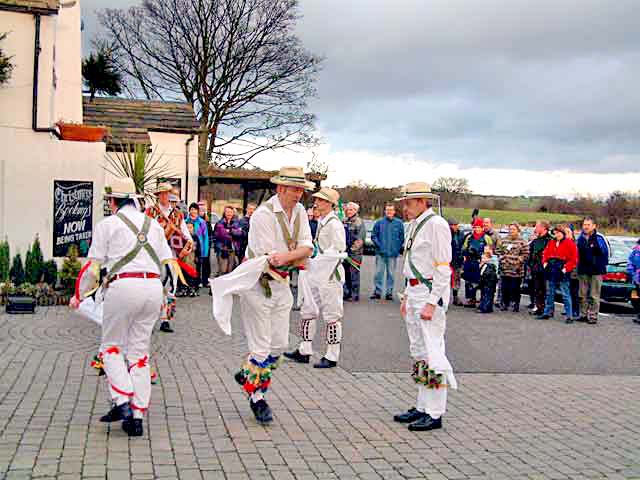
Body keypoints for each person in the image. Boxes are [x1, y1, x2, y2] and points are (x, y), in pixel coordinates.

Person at [70, 178, 174, 437]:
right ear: (135, 200)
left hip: (123, 288)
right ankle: (136, 417)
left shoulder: (108, 224)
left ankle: (123, 401)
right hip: (153, 289)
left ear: (113, 201)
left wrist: (80, 296)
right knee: (140, 352)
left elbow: (92, 268)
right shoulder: (153, 225)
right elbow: (166, 265)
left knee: (111, 347)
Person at [234, 166, 313, 423]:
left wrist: (293, 256)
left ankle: (248, 372)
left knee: (279, 345)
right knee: (261, 347)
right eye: (294, 189)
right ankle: (257, 398)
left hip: (282, 285)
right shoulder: (263, 215)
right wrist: (297, 256)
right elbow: (272, 259)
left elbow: (308, 248)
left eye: (301, 189)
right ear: (280, 188)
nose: (299, 194)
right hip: (259, 285)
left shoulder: (300, 211)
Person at [393, 182, 456, 432]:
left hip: (429, 293)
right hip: (415, 290)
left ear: (421, 201)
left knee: (433, 353)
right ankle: (421, 405)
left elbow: (443, 267)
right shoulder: (416, 225)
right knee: (418, 351)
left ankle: (435, 411)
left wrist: (431, 302)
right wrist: (407, 296)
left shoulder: (436, 225)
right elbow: (412, 262)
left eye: (408, 203)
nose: (405, 208)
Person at [285, 187, 346, 368]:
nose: (316, 203)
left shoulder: (335, 224)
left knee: (332, 314)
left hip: (329, 275)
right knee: (308, 309)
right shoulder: (323, 221)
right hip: (316, 272)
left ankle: (332, 355)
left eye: (320, 200)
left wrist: (319, 259)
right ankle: (304, 349)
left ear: (329, 204)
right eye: (317, 200)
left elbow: (339, 250)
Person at [145, 183, 193, 333]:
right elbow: (144, 232)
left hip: (171, 257)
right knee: (151, 289)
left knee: (171, 287)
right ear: (158, 195)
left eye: (168, 193)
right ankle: (148, 320)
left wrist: (188, 246)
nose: (166, 196)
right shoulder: (150, 212)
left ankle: (166, 320)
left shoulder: (178, 214)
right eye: (163, 193)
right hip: (153, 256)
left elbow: (186, 234)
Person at [538, 225, 578, 323]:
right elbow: (545, 254)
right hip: (551, 269)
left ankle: (569, 316)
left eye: (559, 233)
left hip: (562, 270)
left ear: (563, 233)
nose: (557, 235)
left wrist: (565, 269)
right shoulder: (551, 242)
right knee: (550, 293)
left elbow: (574, 259)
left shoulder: (570, 244)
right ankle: (548, 312)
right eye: (555, 233)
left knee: (565, 294)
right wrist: (545, 264)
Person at [576, 217, 609, 324]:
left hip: (596, 270)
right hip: (583, 269)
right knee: (582, 294)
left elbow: (607, 252)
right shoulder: (580, 238)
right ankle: (583, 314)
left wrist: (600, 265)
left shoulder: (600, 238)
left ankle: (593, 316)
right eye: (584, 224)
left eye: (588, 225)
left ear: (594, 226)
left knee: (594, 295)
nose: (585, 227)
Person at [371, 204, 405, 301]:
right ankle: (377, 292)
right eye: (387, 210)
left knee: (391, 274)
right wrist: (380, 246)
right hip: (380, 253)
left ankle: (389, 293)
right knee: (378, 273)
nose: (389, 212)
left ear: (394, 212)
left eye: (391, 210)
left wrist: (396, 248)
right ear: (385, 211)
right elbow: (374, 236)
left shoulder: (399, 223)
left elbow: (401, 238)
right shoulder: (379, 223)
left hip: (392, 254)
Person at [496, 223, 529, 312]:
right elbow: (498, 251)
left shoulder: (522, 241)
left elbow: (525, 255)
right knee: (504, 287)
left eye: (514, 229)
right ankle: (505, 303)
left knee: (515, 288)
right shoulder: (503, 240)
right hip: (505, 269)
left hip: (516, 270)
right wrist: (502, 259)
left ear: (518, 230)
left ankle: (515, 304)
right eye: (510, 229)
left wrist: (518, 260)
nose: (511, 231)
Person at [462, 218, 493, 308]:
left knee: (481, 282)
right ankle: (471, 299)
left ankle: (483, 300)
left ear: (482, 228)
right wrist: (465, 256)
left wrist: (484, 259)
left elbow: (489, 252)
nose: (477, 229)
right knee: (469, 281)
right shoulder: (469, 237)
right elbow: (464, 248)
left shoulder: (486, 238)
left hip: (481, 262)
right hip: (469, 261)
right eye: (475, 227)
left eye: (479, 227)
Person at [527, 221, 553, 316]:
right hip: (535, 268)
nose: (535, 228)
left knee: (546, 290)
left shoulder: (550, 240)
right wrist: (530, 264)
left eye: (537, 226)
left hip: (546, 269)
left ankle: (548, 309)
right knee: (537, 289)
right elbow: (531, 252)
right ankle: (538, 307)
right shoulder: (536, 240)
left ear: (543, 228)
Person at [343, 202, 366, 302]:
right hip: (344, 252)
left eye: (351, 210)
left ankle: (354, 294)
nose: (349, 211)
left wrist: (351, 250)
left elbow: (360, 239)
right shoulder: (343, 221)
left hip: (354, 254)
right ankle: (347, 293)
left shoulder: (359, 222)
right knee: (346, 274)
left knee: (354, 275)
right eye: (348, 209)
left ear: (356, 211)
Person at [185, 202, 209, 288]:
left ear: (198, 211)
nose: (193, 211)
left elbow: (205, 237)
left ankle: (197, 282)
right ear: (189, 211)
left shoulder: (202, 222)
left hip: (199, 247)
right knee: (188, 264)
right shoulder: (185, 221)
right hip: (188, 247)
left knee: (197, 265)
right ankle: (188, 282)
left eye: (195, 209)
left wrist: (205, 251)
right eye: (191, 209)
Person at [215, 206, 243, 275]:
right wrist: (233, 233)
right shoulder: (219, 223)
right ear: (224, 213)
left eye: (231, 212)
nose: (229, 214)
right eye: (227, 212)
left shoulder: (237, 222)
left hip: (232, 249)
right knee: (223, 270)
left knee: (230, 270)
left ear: (233, 213)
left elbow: (240, 233)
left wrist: (229, 230)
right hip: (222, 249)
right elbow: (222, 234)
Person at [564, 227, 581, 320]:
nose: (566, 234)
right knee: (567, 291)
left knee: (574, 292)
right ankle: (568, 308)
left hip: (574, 272)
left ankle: (575, 310)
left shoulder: (575, 244)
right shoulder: (563, 244)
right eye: (565, 232)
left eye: (568, 232)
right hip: (565, 271)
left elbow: (576, 259)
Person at [478, 245, 499, 314]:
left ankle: (486, 307)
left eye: (487, 249)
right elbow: (480, 267)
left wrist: (486, 260)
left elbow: (495, 268)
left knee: (488, 293)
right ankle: (484, 305)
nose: (485, 251)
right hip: (484, 278)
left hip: (491, 279)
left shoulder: (494, 259)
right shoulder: (483, 257)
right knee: (484, 292)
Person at [449, 218, 465, 306]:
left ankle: (455, 297)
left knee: (457, 279)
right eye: (453, 225)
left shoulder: (461, 234)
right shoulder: (446, 234)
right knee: (445, 280)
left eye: (456, 225)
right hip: (448, 260)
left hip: (458, 260)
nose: (455, 227)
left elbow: (462, 245)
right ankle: (442, 297)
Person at [627, 239, 640, 323]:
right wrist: (632, 272)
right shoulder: (636, 250)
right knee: (635, 298)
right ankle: (638, 314)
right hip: (637, 278)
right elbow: (630, 262)